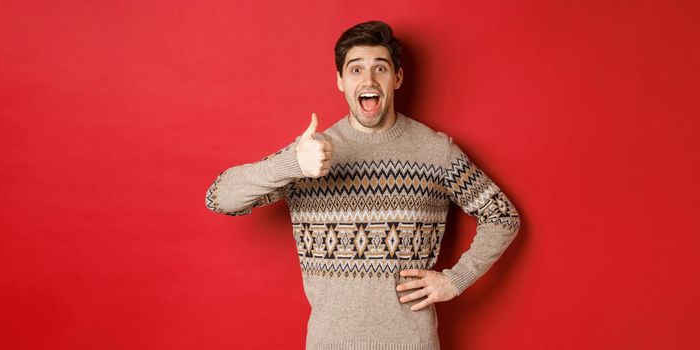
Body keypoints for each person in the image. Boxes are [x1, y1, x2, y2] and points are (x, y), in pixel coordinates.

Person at [206, 20, 521, 350]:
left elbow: (502, 216)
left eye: (380, 68)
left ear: (396, 78)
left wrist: (456, 279)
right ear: (340, 81)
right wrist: (293, 164)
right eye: (355, 70)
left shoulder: (435, 151)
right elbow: (219, 197)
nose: (368, 80)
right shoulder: (310, 154)